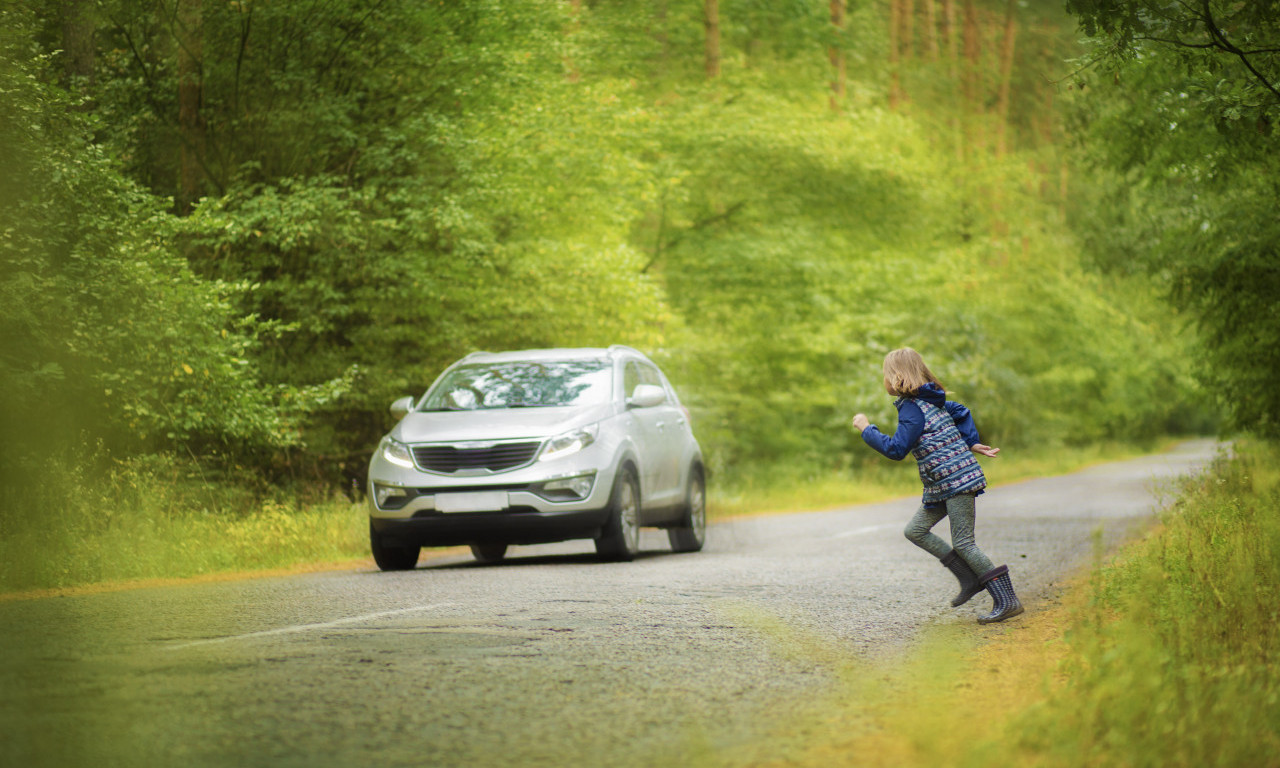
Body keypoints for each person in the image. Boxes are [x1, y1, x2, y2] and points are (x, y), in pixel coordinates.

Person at [851, 348, 1023, 624]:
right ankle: (969, 579)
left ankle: (1008, 600)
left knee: (964, 543)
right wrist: (970, 441)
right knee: (915, 530)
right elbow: (961, 412)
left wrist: (867, 429)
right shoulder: (931, 399)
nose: (884, 380)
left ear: (896, 377)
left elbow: (896, 449)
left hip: (956, 481)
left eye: (885, 374)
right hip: (942, 484)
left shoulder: (912, 408)